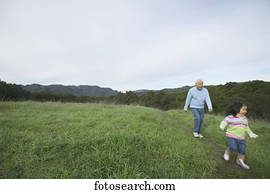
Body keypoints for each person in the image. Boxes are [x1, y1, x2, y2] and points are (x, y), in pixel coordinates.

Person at [220, 102, 258, 169]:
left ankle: (240, 161)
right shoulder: (230, 117)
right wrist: (222, 126)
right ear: (237, 109)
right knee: (233, 147)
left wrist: (250, 133)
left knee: (242, 150)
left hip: (241, 138)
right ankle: (227, 152)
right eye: (243, 109)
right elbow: (224, 121)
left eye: (246, 110)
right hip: (231, 136)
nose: (245, 111)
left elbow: (246, 127)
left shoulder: (245, 119)